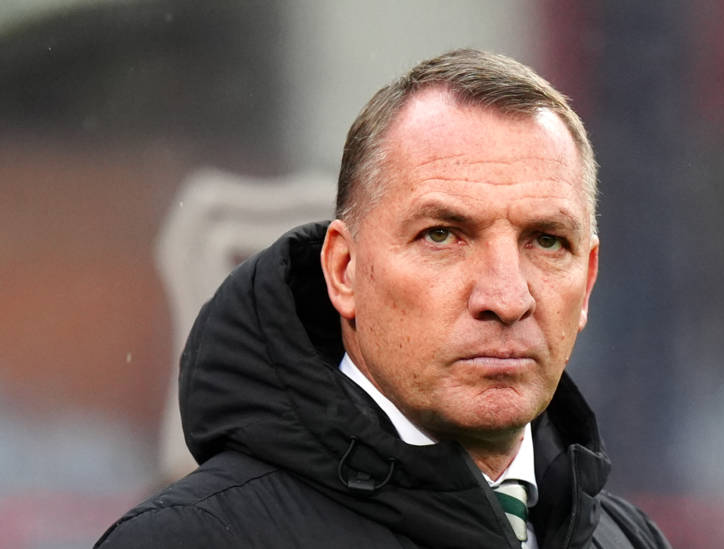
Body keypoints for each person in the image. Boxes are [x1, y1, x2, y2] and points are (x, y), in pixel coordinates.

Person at [96, 49, 670, 548]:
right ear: (343, 271)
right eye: (442, 235)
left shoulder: (630, 541)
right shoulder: (187, 541)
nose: (506, 297)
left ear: (587, 282)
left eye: (546, 241)